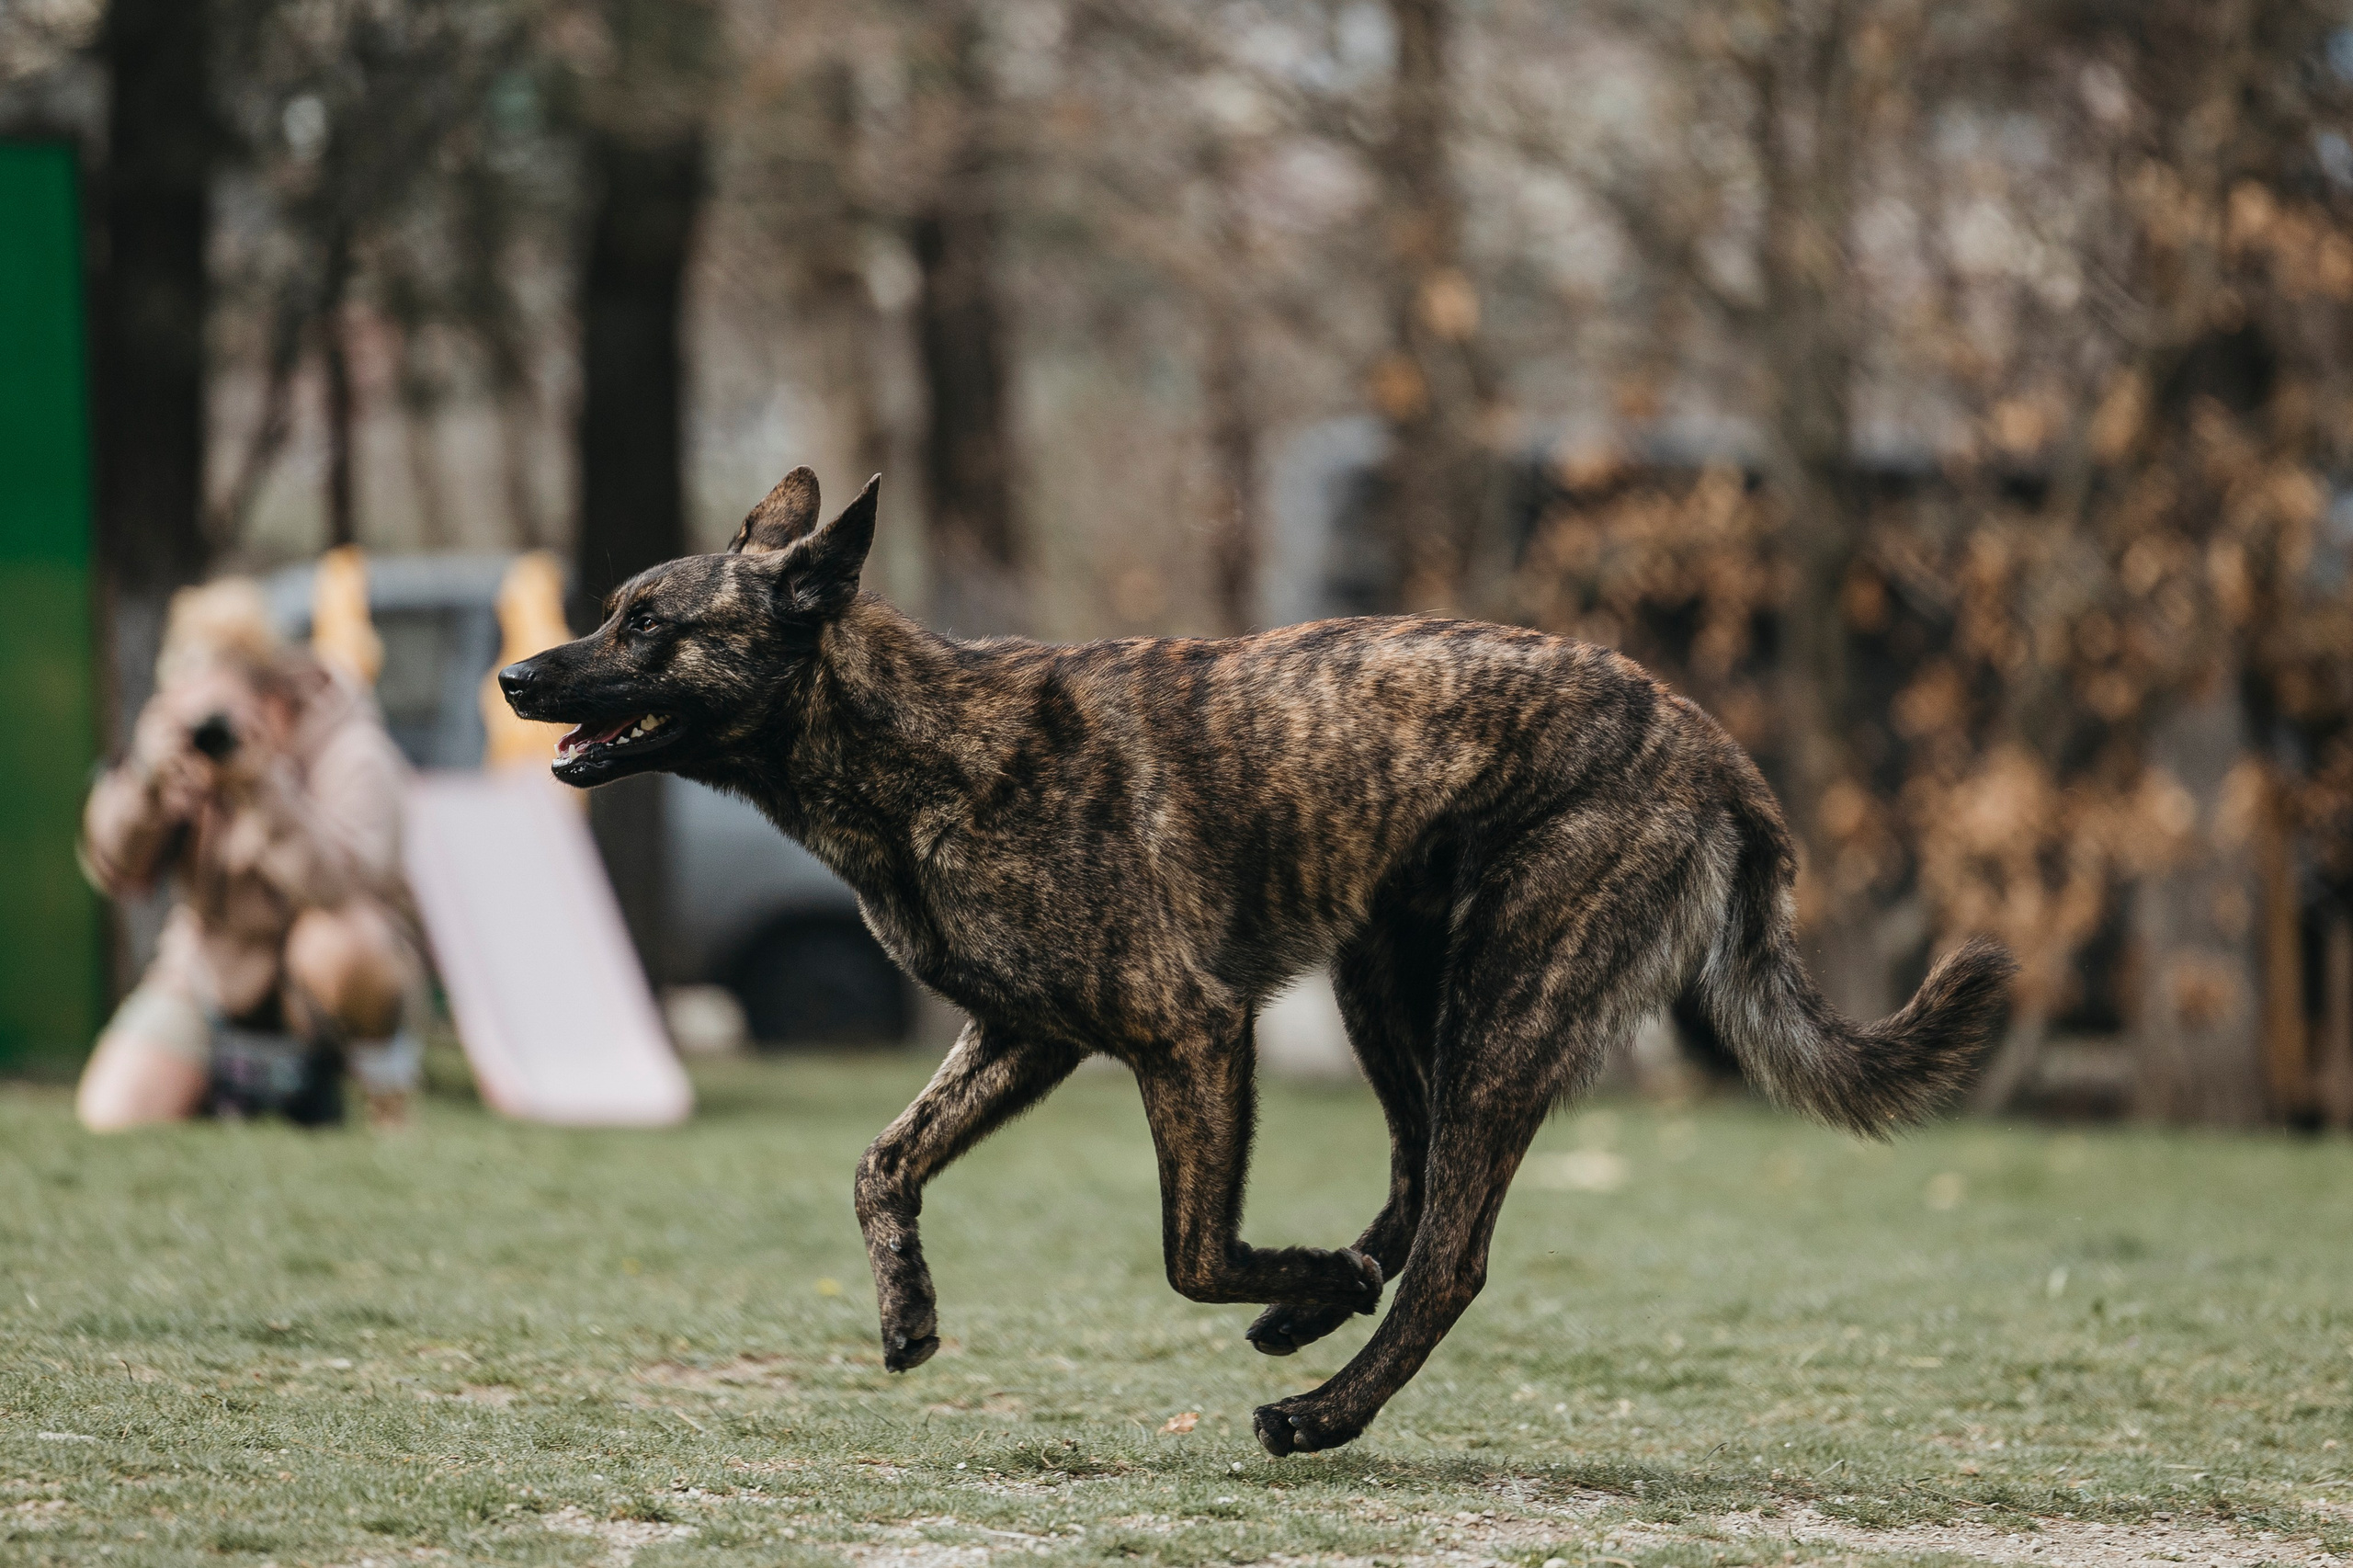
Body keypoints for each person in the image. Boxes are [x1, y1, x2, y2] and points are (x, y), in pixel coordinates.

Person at [74, 577, 424, 1131]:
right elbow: (114, 870)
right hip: (212, 967)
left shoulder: (351, 748)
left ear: (272, 698)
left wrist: (262, 788)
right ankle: (236, 1090)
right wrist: (145, 785)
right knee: (112, 1113)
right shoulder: (175, 756)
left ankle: (379, 1089)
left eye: (221, 715)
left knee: (344, 944)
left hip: (324, 973)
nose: (209, 735)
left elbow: (345, 890)